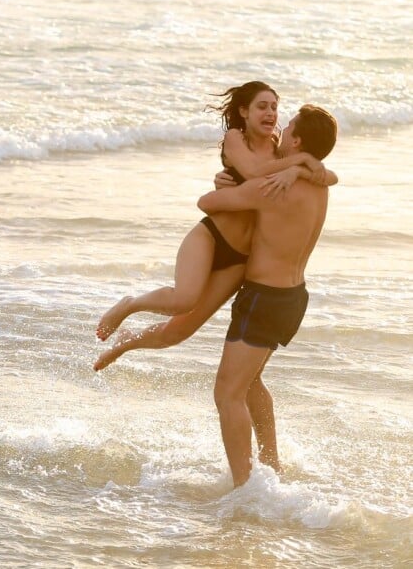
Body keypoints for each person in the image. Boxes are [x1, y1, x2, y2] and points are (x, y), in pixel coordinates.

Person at [93, 82, 336, 371]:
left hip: (241, 260)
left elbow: (329, 176)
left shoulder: (281, 152)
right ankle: (130, 304)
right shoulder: (236, 138)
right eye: (262, 106)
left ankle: (127, 341)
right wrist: (303, 160)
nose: (271, 113)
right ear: (244, 111)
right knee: (183, 299)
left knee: (177, 333)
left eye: (274, 107)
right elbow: (251, 172)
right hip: (212, 237)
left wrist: (297, 168)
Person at [196, 104, 338, 487]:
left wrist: (230, 185)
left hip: (263, 297)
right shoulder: (318, 184)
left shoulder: (272, 187)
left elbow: (207, 205)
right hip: (292, 297)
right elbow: (327, 174)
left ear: (297, 140)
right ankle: (271, 464)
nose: (283, 127)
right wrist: (296, 166)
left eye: (289, 126)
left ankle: (243, 486)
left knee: (227, 393)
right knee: (251, 382)